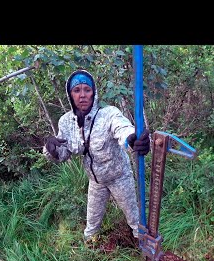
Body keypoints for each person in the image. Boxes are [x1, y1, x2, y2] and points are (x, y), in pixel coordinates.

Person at [43, 69, 150, 245]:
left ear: (94, 92)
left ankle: (142, 246)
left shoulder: (108, 114)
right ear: (70, 95)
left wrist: (132, 139)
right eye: (77, 90)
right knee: (92, 221)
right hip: (95, 181)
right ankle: (90, 248)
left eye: (87, 89)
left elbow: (122, 128)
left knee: (134, 217)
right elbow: (63, 153)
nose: (82, 95)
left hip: (119, 177)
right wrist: (51, 150)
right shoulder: (66, 122)